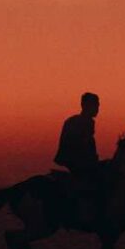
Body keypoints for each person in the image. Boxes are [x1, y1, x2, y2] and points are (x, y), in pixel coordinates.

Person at [55, 91, 101, 223]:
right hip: (76, 162)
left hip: (82, 160)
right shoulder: (80, 122)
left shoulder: (86, 121)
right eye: (95, 105)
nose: (97, 109)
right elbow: (80, 145)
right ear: (85, 105)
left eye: (98, 105)